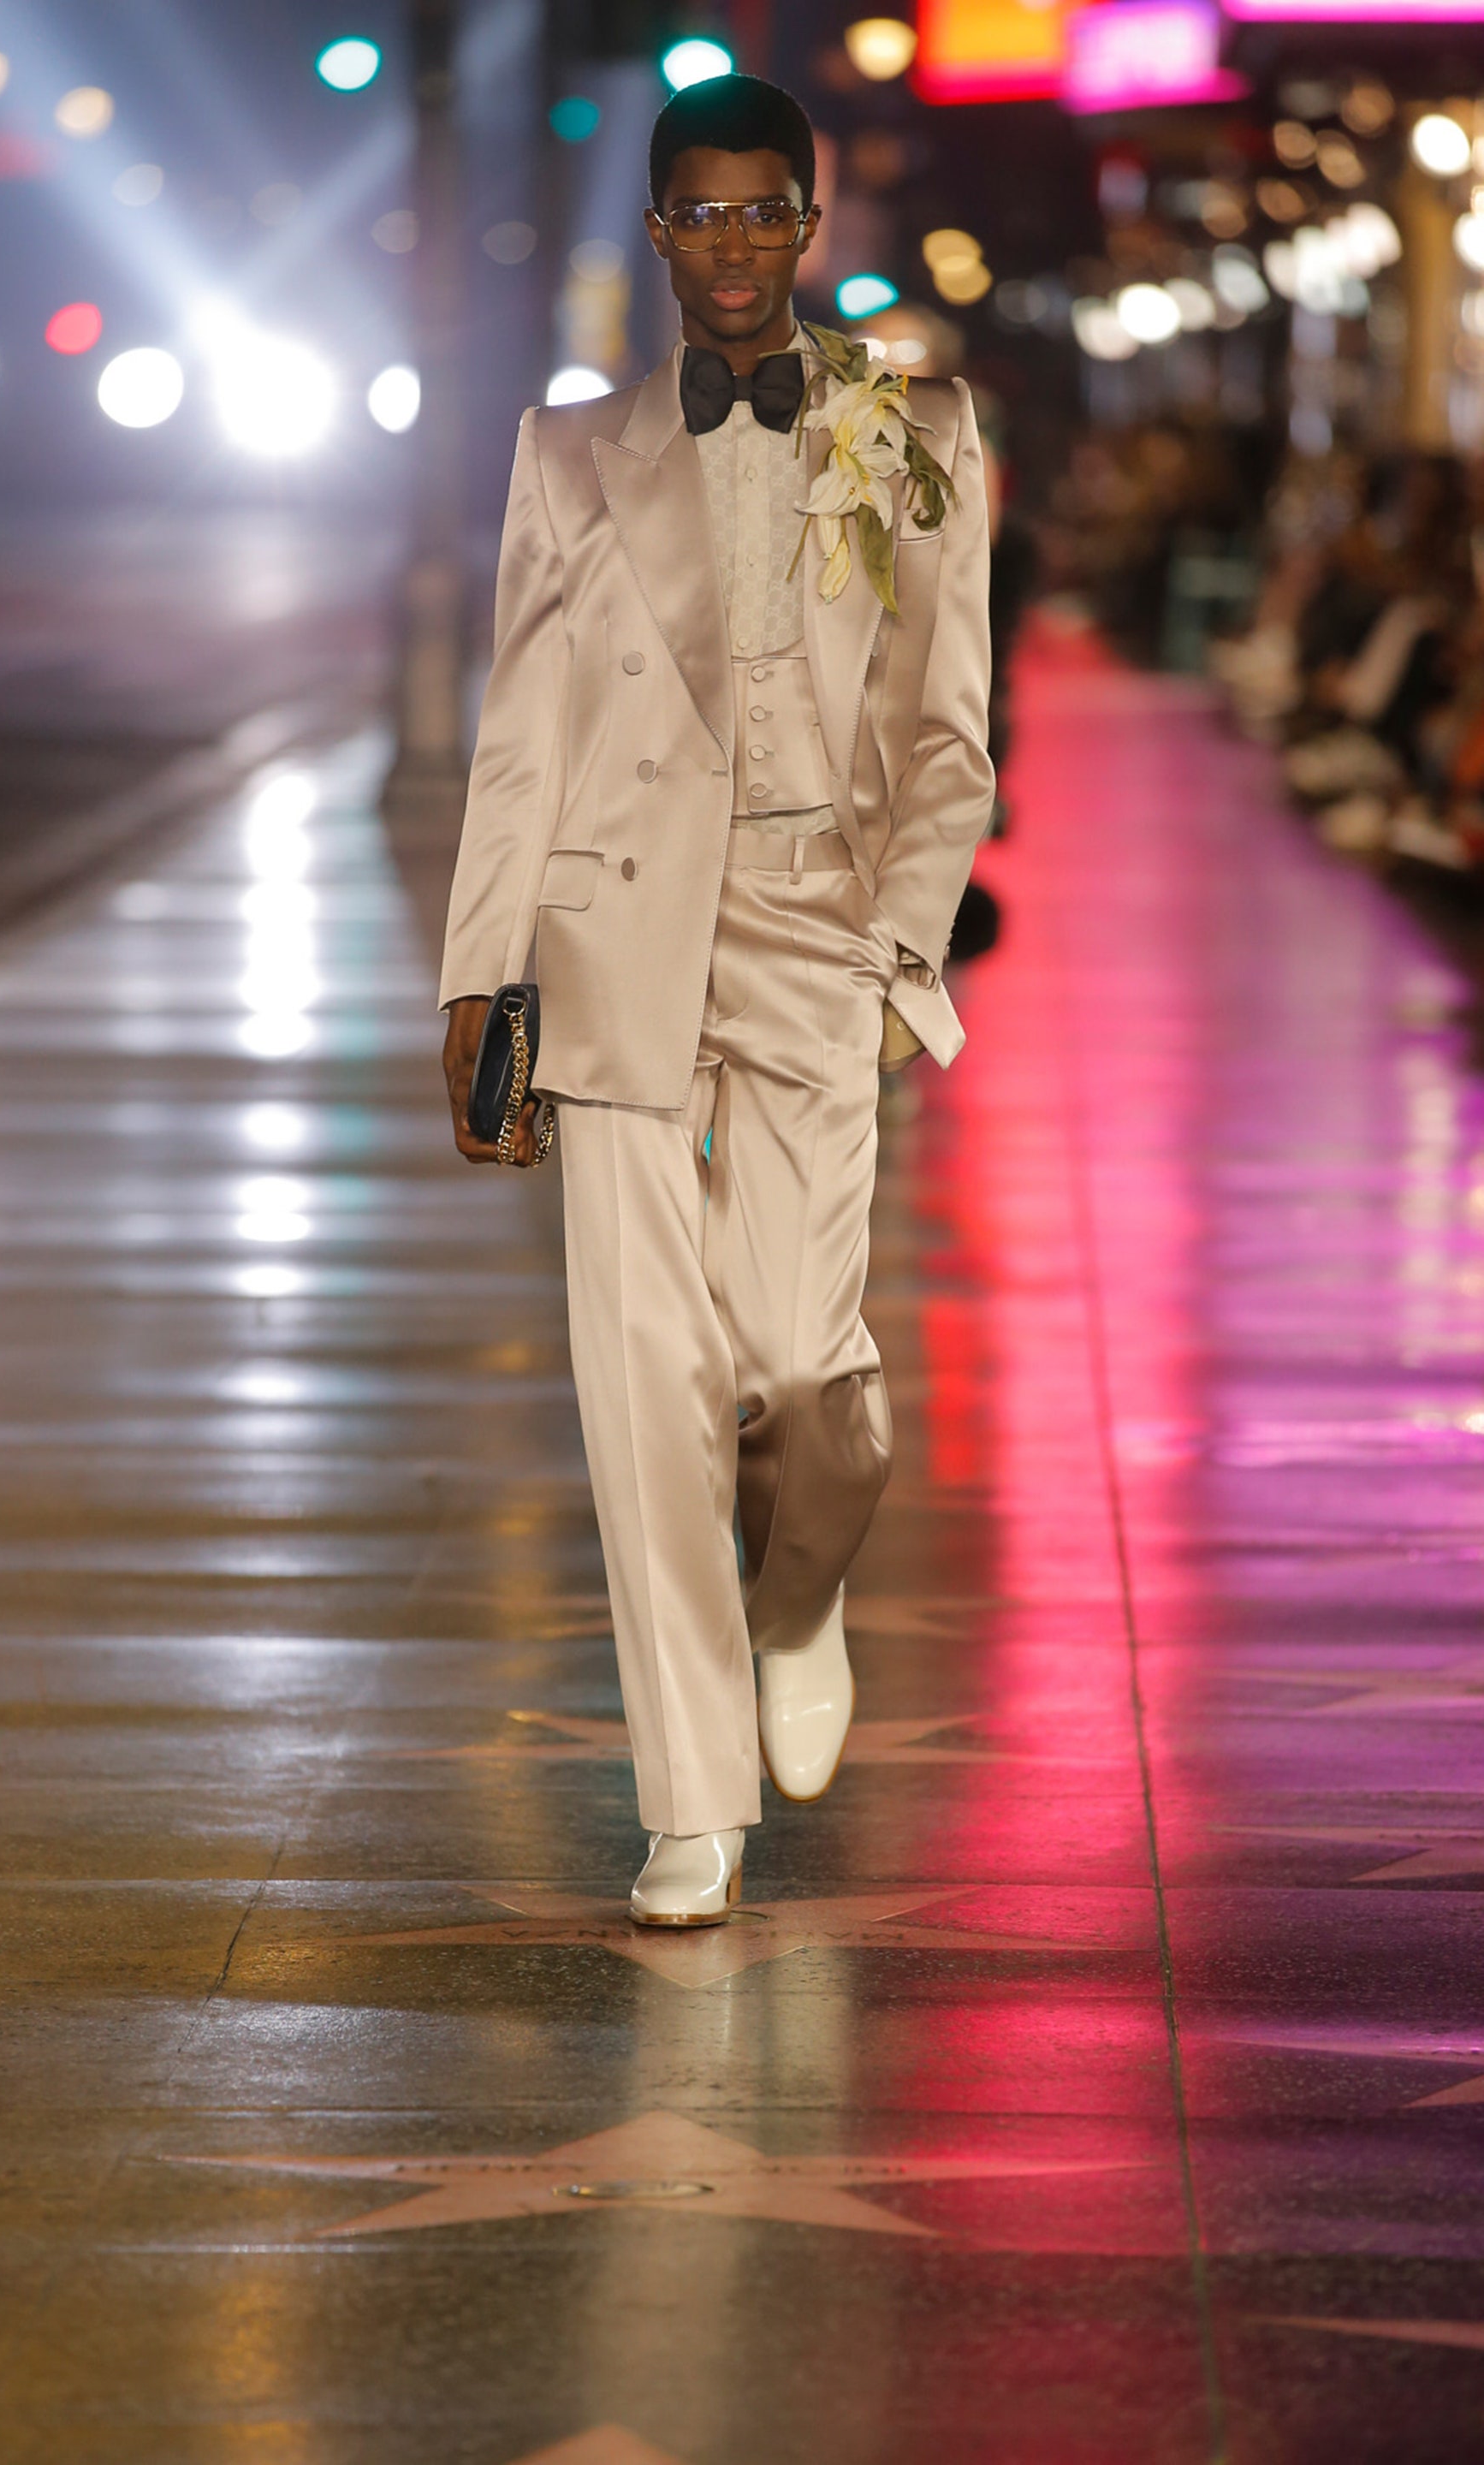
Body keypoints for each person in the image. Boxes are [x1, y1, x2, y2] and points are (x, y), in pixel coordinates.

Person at [438, 74, 993, 1927]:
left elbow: (951, 736)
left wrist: (897, 940)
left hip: (819, 930)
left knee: (802, 1363)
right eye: (706, 211)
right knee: (643, 1381)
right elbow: (523, 729)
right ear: (662, 230)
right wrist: (482, 970)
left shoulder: (918, 429)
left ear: (809, 224)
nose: (738, 242)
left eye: (770, 210)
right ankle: (690, 1802)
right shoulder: (565, 450)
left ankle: (800, 1596)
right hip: (613, 934)